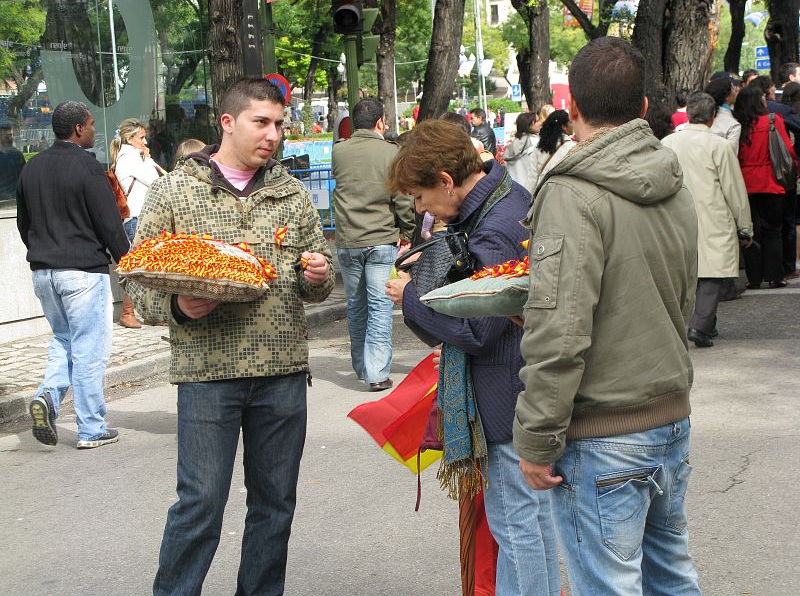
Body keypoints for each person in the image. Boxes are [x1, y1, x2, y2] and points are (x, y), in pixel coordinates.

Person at [122, 78, 335, 595]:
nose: (273, 135)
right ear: (227, 122)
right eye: (261, 122)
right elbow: (135, 281)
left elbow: (321, 284)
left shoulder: (289, 193)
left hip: (282, 373)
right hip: (207, 375)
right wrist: (179, 305)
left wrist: (318, 276)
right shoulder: (176, 189)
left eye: (279, 125)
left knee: (275, 505)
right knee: (200, 505)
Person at [514, 37, 702, 595]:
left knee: (611, 584)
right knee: (671, 575)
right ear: (643, 108)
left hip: (604, 429)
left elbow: (559, 330)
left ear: (571, 109)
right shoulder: (672, 181)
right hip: (668, 415)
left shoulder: (573, 193)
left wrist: (536, 438)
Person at [385, 120, 561, 596]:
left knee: (519, 530)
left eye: (421, 197)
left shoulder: (498, 224)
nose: (421, 209)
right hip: (513, 392)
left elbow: (475, 327)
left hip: (506, 399)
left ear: (446, 180)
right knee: (525, 529)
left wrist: (412, 298)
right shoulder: (504, 198)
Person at [16, 100, 130, 449]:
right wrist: (127, 260)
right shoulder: (88, 168)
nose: (94, 131)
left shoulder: (30, 169)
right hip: (83, 271)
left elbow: (24, 224)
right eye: (92, 124)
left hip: (44, 271)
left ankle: (48, 398)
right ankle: (91, 427)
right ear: (79, 128)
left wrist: (43, 251)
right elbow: (109, 224)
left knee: (65, 339)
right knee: (88, 349)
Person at [332, 98, 415, 391]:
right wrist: (408, 230)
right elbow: (402, 198)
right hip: (381, 238)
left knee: (356, 306)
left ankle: (361, 366)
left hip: (348, 241)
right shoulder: (391, 152)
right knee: (380, 307)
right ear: (380, 122)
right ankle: (377, 372)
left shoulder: (338, 152)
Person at [663, 92, 754, 347]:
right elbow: (734, 189)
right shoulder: (720, 146)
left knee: (684, 273)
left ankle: (697, 324)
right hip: (713, 215)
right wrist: (745, 227)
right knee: (711, 275)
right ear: (712, 117)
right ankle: (702, 325)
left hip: (675, 216)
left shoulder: (668, 143)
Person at [733, 84, 797, 289]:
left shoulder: (738, 125)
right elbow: (787, 150)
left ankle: (754, 277)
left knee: (752, 231)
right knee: (773, 230)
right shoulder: (772, 121)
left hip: (745, 183)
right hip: (770, 181)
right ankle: (774, 275)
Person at [110, 118, 164, 328]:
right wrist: (148, 159)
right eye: (141, 138)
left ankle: (142, 311)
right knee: (138, 267)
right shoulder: (129, 158)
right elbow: (154, 180)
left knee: (146, 265)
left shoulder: (130, 156)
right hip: (136, 217)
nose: (145, 141)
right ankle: (128, 312)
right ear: (130, 139)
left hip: (139, 216)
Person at [781, 82, 800, 277]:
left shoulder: (781, 113)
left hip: (787, 171)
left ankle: (793, 261)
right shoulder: (792, 116)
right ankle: (793, 263)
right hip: (793, 169)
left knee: (792, 219)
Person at [533, 110, 575, 184]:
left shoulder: (540, 147)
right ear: (564, 127)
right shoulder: (571, 147)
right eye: (571, 122)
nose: (573, 125)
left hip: (543, 190)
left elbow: (532, 176)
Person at [503, 111, 540, 193]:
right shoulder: (535, 142)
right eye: (537, 121)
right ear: (529, 125)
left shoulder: (514, 142)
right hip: (530, 189)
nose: (540, 123)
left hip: (514, 188)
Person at [705, 77, 741, 153]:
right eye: (734, 89)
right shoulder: (732, 125)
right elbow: (731, 155)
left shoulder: (699, 116)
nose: (736, 91)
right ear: (727, 97)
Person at [0, 123, 25, 203]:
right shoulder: (17, 155)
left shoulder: (17, 155)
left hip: (16, 201)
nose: (10, 139)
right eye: (7, 136)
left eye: (11, 135)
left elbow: (24, 179)